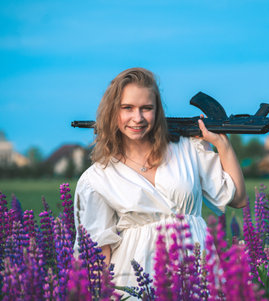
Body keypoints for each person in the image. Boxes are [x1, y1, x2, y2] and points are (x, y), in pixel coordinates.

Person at [73, 67, 246, 290]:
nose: (138, 118)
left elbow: (238, 199)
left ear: (158, 111)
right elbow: (98, 254)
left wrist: (221, 143)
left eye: (147, 108)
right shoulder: (96, 178)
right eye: (128, 108)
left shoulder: (187, 148)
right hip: (136, 281)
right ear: (112, 112)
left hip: (198, 273)